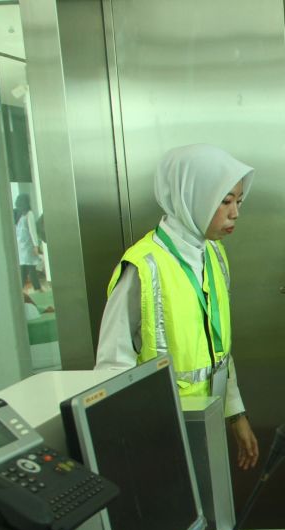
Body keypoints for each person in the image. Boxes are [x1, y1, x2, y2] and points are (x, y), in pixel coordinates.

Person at [95, 144, 259, 470]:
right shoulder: (143, 266)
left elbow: (219, 350)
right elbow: (112, 367)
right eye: (225, 201)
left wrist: (234, 411)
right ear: (191, 196)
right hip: (158, 432)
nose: (235, 212)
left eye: (238, 201)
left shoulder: (213, 254)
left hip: (206, 420)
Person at [13, 194, 42, 291]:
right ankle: (37, 288)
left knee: (24, 268)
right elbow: (32, 231)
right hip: (28, 245)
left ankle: (20, 289)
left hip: (20, 246)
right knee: (31, 267)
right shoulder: (29, 214)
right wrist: (36, 245)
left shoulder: (17, 214)